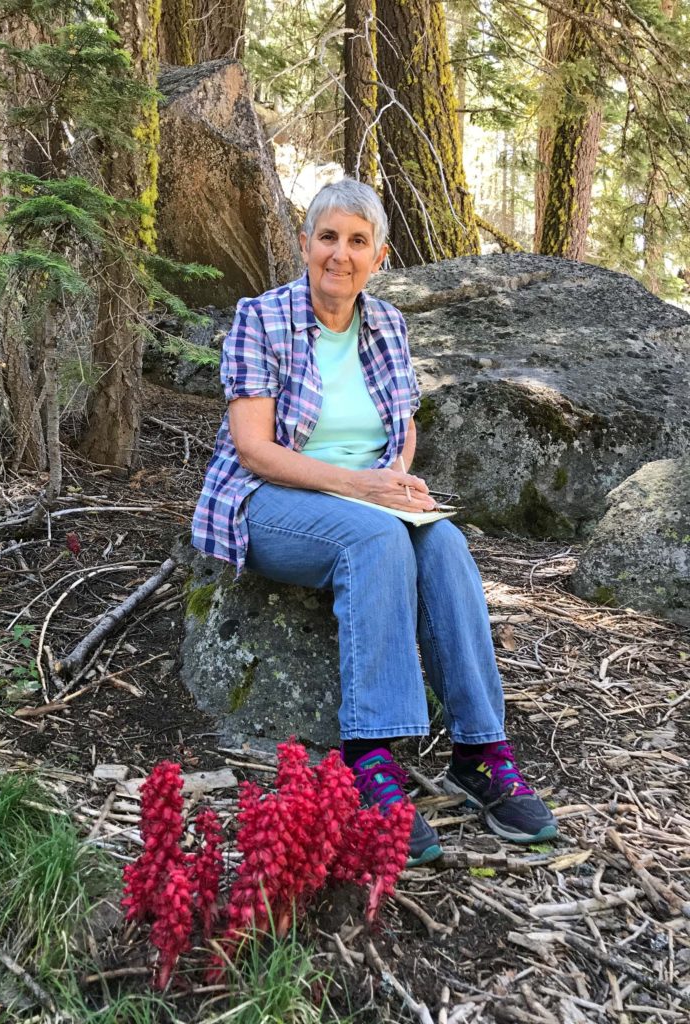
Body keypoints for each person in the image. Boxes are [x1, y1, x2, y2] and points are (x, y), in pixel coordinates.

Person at [192, 178, 557, 865]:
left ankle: (479, 751)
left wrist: (399, 478)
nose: (340, 254)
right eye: (327, 237)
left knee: (444, 541)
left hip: (365, 499)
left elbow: (402, 427)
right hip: (270, 501)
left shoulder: (387, 325)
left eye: (357, 241)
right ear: (304, 245)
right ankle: (371, 758)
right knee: (378, 536)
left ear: (378, 256)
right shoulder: (261, 318)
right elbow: (254, 447)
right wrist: (360, 488)